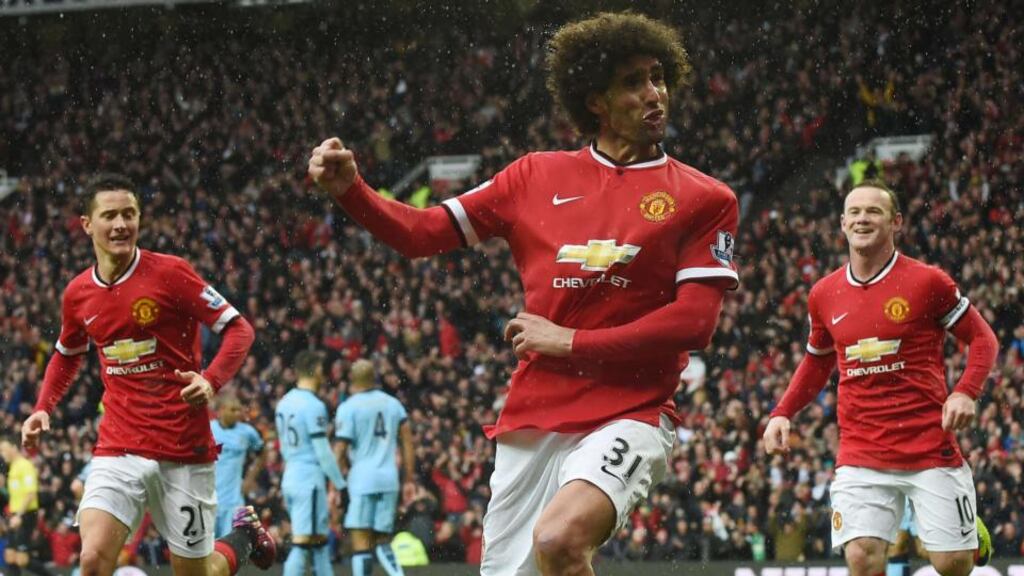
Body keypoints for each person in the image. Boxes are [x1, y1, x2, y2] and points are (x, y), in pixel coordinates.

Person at [308, 12, 739, 575]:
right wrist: (353, 193)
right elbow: (421, 234)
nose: (655, 93)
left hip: (633, 411)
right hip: (534, 416)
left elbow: (695, 324)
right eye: (634, 82)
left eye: (658, 77)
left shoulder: (705, 198)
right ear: (595, 101)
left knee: (560, 540)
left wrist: (571, 342)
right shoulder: (533, 176)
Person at [20, 173, 275, 576]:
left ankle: (242, 539)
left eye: (129, 214)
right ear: (87, 224)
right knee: (92, 560)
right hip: (119, 447)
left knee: (197, 573)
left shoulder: (171, 273)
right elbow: (67, 354)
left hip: (183, 448)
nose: (121, 224)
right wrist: (42, 407)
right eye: (109, 215)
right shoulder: (78, 293)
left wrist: (210, 380)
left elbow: (239, 328)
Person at [763, 179, 998, 576]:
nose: (862, 219)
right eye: (854, 212)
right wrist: (782, 411)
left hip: (927, 443)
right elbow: (817, 361)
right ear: (842, 223)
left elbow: (982, 338)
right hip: (861, 449)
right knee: (862, 558)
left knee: (952, 564)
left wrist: (965, 393)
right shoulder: (824, 293)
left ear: (896, 222)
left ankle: (966, 536)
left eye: (874, 211)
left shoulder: (928, 282)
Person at [333, 359, 415, 576]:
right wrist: (409, 479)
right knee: (382, 540)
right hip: (389, 480)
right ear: (374, 378)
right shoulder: (393, 403)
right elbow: (407, 442)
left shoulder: (348, 407)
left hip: (362, 480)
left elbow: (340, 448)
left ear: (352, 379)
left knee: (361, 541)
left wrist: (334, 482)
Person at [275, 350, 346, 576]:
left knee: (319, 542)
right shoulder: (314, 405)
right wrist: (340, 484)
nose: (324, 375)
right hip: (309, 479)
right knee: (303, 543)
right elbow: (323, 452)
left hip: (291, 475)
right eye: (322, 370)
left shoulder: (283, 403)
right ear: (315, 370)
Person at [210, 393, 266, 538]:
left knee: (231, 544)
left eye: (239, 410)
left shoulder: (247, 432)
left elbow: (262, 454)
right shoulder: (209, 429)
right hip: (210, 497)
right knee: (208, 547)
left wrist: (249, 479)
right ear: (221, 410)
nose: (238, 413)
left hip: (234, 498)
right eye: (233, 410)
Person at [0, 437, 53, 576]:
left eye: (3, 449)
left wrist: (18, 516)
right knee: (10, 556)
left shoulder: (25, 465)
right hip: (15, 516)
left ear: (14, 447)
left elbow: (30, 494)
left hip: (26, 515)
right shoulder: (12, 468)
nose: (2, 453)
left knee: (22, 559)